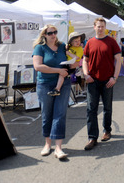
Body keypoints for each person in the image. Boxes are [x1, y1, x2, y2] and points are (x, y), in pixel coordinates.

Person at [32, 25, 77, 160]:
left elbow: (73, 63)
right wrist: (58, 70)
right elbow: (38, 66)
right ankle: (47, 144)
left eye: (55, 32)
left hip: (63, 83)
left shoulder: (63, 46)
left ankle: (58, 147)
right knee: (47, 114)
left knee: (60, 113)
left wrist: (73, 62)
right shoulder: (40, 48)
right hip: (45, 84)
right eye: (50, 33)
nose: (53, 35)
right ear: (44, 34)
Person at [83, 18, 123, 151]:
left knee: (107, 108)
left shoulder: (111, 41)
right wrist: (85, 74)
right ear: (94, 27)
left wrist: (115, 77)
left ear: (105, 27)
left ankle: (107, 130)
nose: (100, 29)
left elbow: (118, 59)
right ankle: (92, 137)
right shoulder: (90, 42)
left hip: (107, 80)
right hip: (92, 81)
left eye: (102, 26)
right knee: (91, 109)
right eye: (98, 26)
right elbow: (85, 60)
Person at [50, 32, 82, 97]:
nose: (78, 42)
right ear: (71, 42)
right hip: (66, 63)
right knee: (60, 74)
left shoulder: (79, 49)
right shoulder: (68, 47)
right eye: (75, 41)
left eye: (79, 40)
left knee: (62, 75)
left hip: (71, 65)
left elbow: (77, 58)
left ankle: (57, 89)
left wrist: (68, 53)